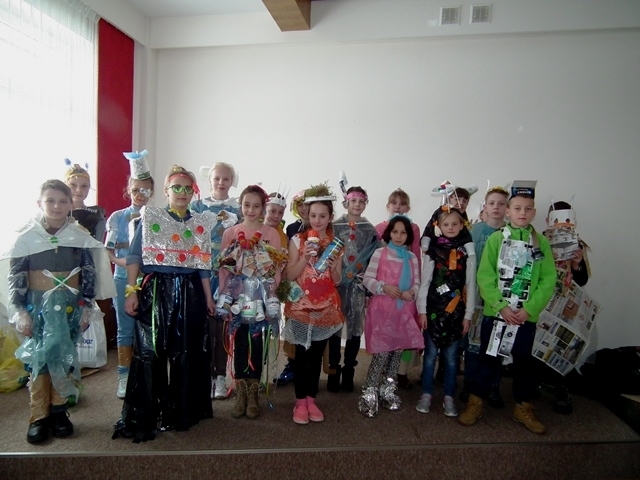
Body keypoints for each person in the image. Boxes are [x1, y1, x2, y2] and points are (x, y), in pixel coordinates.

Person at [5, 179, 114, 444]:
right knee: (40, 359)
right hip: (36, 306)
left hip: (69, 306)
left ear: (70, 204)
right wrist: (20, 310)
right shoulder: (26, 237)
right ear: (40, 203)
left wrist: (87, 306)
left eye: (63, 201)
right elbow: (16, 276)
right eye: (50, 201)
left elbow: (88, 273)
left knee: (65, 355)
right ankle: (38, 416)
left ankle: (58, 410)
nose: (57, 206)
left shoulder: (79, 237)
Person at [113, 165, 216, 442]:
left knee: (187, 352)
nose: (182, 193)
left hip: (191, 292)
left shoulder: (200, 223)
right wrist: (131, 292)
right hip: (157, 289)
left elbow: (203, 265)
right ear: (166, 191)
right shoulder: (150, 218)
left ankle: (183, 411)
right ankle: (147, 412)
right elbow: (134, 257)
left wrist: (208, 297)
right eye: (176, 187)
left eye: (187, 188)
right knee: (151, 351)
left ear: (193, 192)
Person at [458, 181, 556, 434]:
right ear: (508, 212)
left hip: (525, 317)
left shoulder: (541, 243)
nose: (522, 213)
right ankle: (476, 402)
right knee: (488, 359)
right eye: (517, 208)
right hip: (497, 315)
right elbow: (485, 276)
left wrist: (529, 309)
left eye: (528, 209)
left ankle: (523, 407)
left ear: (534, 213)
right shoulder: (496, 240)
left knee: (523, 363)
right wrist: (500, 306)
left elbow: (548, 280)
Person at [217, 185, 283, 419]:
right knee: (239, 343)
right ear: (241, 206)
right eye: (247, 205)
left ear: (263, 208)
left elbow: (276, 266)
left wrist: (270, 293)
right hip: (237, 300)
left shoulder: (271, 234)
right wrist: (226, 298)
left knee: (256, 343)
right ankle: (241, 392)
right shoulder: (231, 233)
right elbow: (223, 268)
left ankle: (253, 392)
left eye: (256, 206)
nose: (251, 210)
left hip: (260, 300)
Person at [283, 185, 344, 424]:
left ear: (330, 217)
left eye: (322, 215)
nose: (317, 220)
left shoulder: (335, 245)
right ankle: (300, 401)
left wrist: (333, 267)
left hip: (325, 308)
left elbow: (337, 280)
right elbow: (289, 275)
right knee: (301, 355)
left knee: (317, 356)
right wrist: (305, 257)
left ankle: (311, 399)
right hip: (301, 307)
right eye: (313, 215)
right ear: (306, 215)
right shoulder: (297, 240)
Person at [359, 215, 423, 417]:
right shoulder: (380, 253)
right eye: (395, 231)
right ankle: (369, 394)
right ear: (389, 233)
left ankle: (387, 390)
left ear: (408, 235)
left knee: (396, 353)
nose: (398, 236)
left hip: (403, 312)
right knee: (382, 353)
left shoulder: (412, 258)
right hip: (382, 311)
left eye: (403, 232)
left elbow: (417, 283)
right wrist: (383, 287)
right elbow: (367, 279)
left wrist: (411, 291)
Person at [415, 205, 476, 417]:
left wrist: (468, 315)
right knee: (430, 356)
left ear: (462, 225)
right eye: (446, 224)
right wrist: (422, 311)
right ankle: (426, 393)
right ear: (439, 226)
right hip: (434, 311)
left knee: (451, 358)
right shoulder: (432, 251)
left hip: (457, 312)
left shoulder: (468, 253)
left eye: (455, 224)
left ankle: (449, 396)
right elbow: (425, 282)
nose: (450, 227)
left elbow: (470, 284)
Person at [105, 150, 155, 399]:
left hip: (149, 278)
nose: (140, 195)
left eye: (145, 190)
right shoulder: (117, 218)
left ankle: (147, 373)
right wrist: (120, 262)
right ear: (129, 190)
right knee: (125, 327)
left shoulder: (157, 218)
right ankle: (124, 375)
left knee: (149, 326)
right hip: (123, 277)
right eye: (136, 190)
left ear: (152, 192)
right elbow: (108, 250)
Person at [191, 162, 241, 400]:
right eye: (217, 178)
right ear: (209, 180)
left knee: (221, 326)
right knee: (201, 326)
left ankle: (220, 375)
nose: (221, 183)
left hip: (227, 276)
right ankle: (203, 375)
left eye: (226, 178)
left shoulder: (239, 208)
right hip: (200, 274)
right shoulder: (197, 207)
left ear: (232, 181)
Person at [537, 200, 590, 414]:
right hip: (542, 300)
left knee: (562, 345)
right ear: (548, 219)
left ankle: (562, 388)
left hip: (564, 302)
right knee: (536, 342)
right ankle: (534, 382)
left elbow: (582, 280)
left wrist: (577, 265)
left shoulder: (577, 243)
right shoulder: (539, 239)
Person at [461, 185, 509, 408]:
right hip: (476, 295)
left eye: (501, 204)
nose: (496, 207)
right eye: (492, 203)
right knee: (473, 342)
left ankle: (493, 386)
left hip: (500, 298)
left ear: (507, 208)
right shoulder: (475, 231)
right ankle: (469, 384)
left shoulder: (510, 233)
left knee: (495, 343)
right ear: (485, 207)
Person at [328, 185, 378, 393]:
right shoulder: (335, 226)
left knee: (355, 328)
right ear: (346, 202)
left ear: (366, 204)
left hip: (357, 285)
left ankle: (349, 369)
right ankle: (333, 370)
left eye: (361, 201)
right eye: (354, 201)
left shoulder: (370, 230)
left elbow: (375, 257)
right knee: (334, 326)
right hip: (337, 284)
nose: (357, 205)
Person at [374, 188, 422, 389]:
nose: (398, 206)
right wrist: (379, 288)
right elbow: (373, 265)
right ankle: (380, 373)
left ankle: (400, 372)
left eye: (402, 203)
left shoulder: (414, 229)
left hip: (406, 292)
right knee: (384, 334)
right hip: (385, 292)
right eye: (394, 202)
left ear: (408, 208)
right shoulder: (379, 228)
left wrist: (415, 290)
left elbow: (416, 255)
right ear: (388, 206)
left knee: (405, 332)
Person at [63, 160, 106, 240]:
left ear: (89, 187)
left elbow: (98, 243)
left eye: (84, 186)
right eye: (73, 185)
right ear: (64, 187)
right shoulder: (56, 213)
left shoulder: (95, 215)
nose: (78, 190)